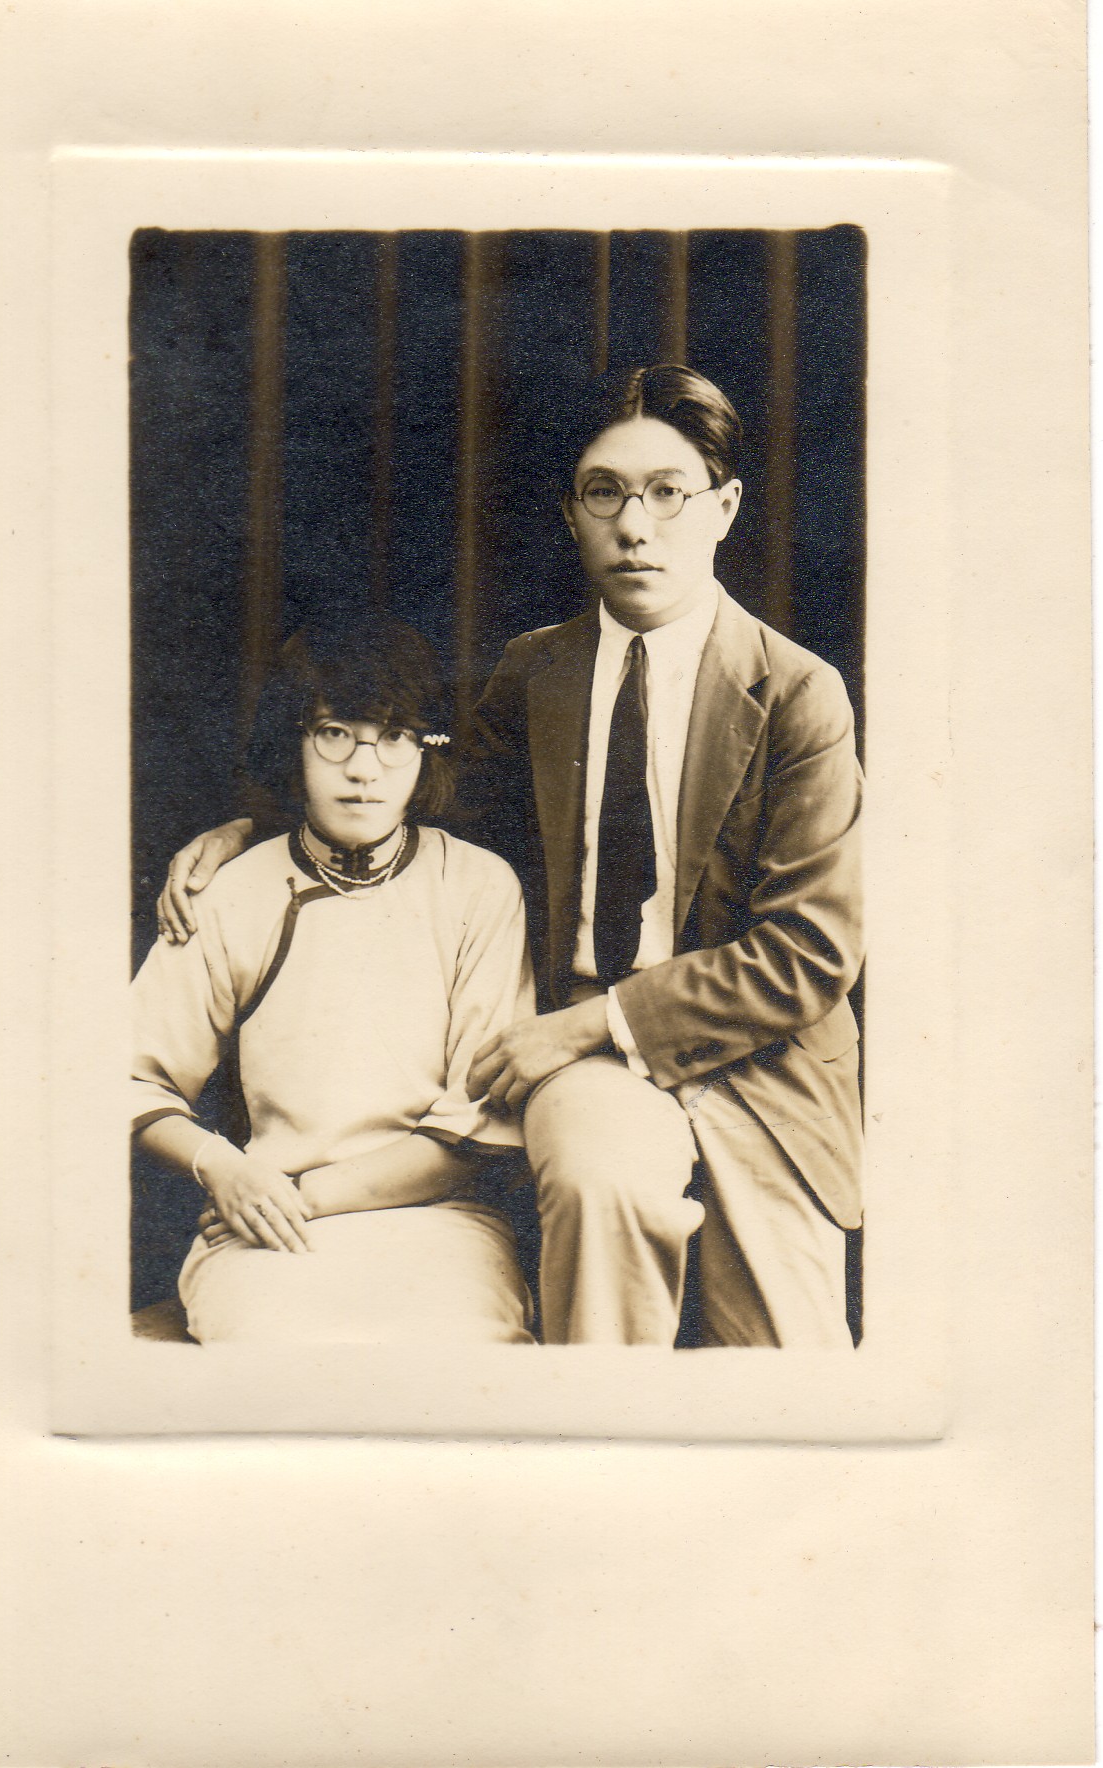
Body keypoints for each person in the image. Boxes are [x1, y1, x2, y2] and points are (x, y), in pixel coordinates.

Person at [158, 364, 863, 1350]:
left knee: (787, 1370)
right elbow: (414, 787)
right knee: (598, 1176)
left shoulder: (795, 693)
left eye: (667, 492)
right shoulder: (536, 672)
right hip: (592, 1068)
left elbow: (808, 953)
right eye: (604, 492)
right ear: (571, 514)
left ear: (724, 507)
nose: (635, 526)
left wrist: (588, 1024)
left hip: (761, 1069)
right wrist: (251, 828)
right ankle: (592, 1428)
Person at [133, 616, 536, 1345]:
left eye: (395, 737)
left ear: (428, 750)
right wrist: (222, 1167)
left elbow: (476, 1121)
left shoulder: (477, 886)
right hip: (264, 1224)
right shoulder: (231, 889)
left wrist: (309, 1194)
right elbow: (128, 1077)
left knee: (459, 1351)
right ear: (294, 743)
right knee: (274, 1351)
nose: (363, 769)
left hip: (437, 1222)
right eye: (333, 734)